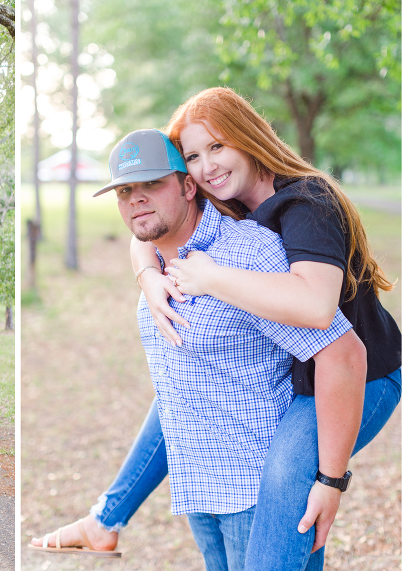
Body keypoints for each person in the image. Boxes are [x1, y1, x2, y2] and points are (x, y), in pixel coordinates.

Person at [30, 129, 365, 570]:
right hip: (198, 485)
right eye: (126, 190)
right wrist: (147, 275)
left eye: (153, 184)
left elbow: (343, 354)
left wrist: (329, 480)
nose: (137, 199)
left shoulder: (243, 254)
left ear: (189, 186)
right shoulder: (157, 258)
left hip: (256, 488)